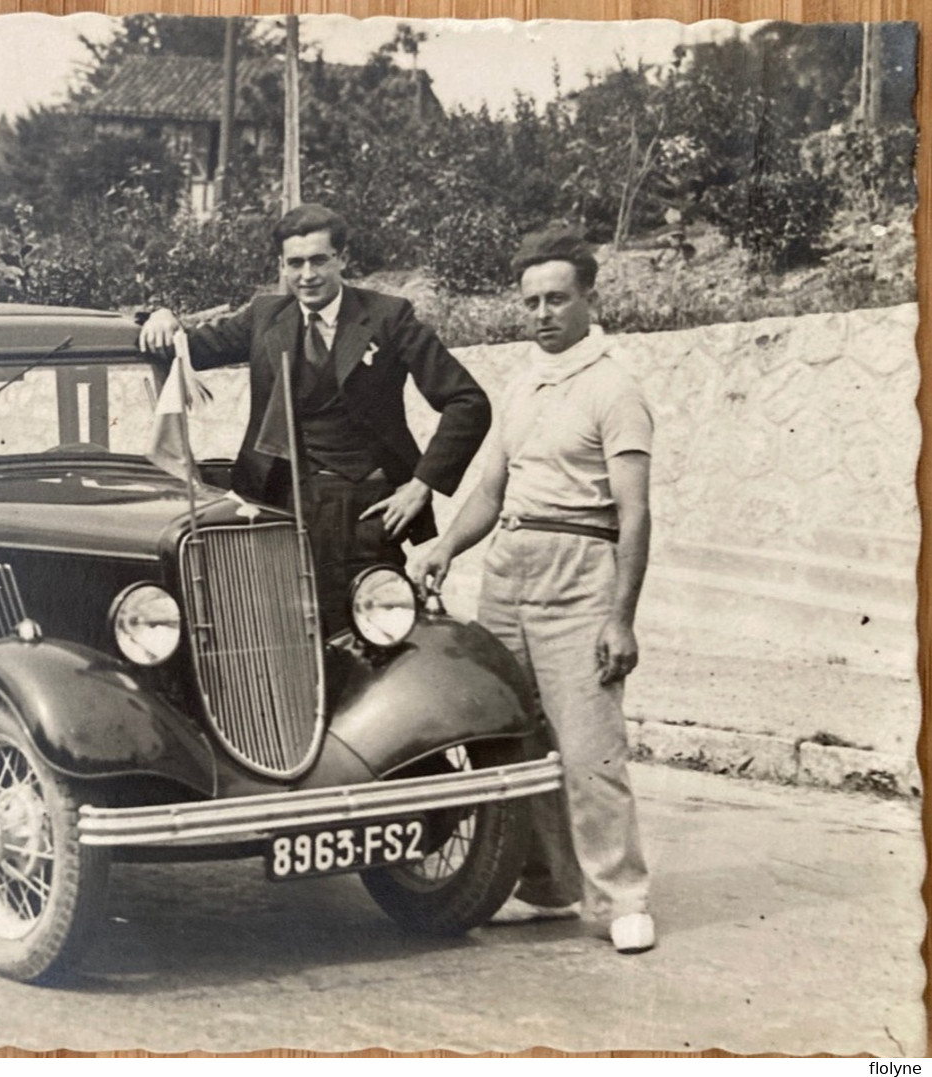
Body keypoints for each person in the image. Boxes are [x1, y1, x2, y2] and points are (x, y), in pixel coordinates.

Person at [407, 227, 656, 955]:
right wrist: (443, 546)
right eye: (531, 301)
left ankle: (622, 896)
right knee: (514, 741)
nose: (542, 312)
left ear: (588, 298)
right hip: (507, 568)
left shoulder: (615, 387)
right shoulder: (521, 383)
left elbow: (634, 513)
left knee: (589, 748)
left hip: (579, 570)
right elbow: (490, 489)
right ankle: (549, 885)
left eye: (557, 298)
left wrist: (621, 619)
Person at [138, 203, 490, 631]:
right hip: (277, 510)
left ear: (342, 259)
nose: (308, 275)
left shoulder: (388, 317)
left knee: (372, 638)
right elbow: (187, 344)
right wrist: (161, 316)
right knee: (276, 634)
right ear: (282, 266)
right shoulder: (266, 316)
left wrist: (421, 486)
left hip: (365, 515)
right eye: (296, 263)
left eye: (320, 260)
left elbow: (468, 402)